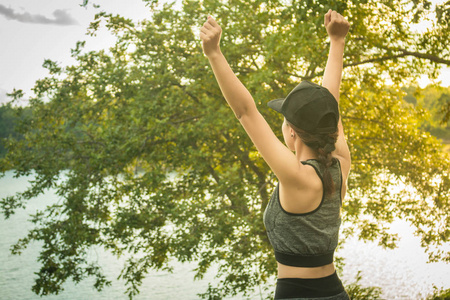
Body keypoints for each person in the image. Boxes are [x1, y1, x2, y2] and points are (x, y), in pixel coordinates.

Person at [200, 9, 351, 300]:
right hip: (335, 292)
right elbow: (330, 103)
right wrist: (336, 42)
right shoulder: (340, 166)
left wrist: (214, 54)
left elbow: (246, 112)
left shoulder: (298, 177)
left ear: (292, 132)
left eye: (283, 119)